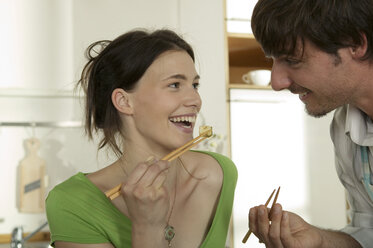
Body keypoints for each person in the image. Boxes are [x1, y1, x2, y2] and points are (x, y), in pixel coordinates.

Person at [45, 29, 237, 248]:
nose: (195, 100)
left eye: (195, 85)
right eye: (174, 85)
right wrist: (148, 229)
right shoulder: (73, 204)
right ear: (124, 102)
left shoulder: (219, 174)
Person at [248, 0, 373, 247]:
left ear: (355, 44)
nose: (276, 82)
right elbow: (368, 230)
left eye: (292, 60)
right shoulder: (344, 128)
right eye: (273, 60)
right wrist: (319, 241)